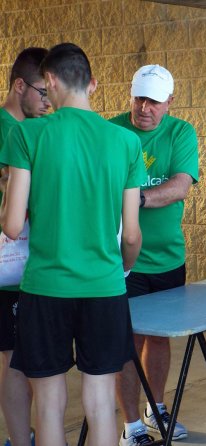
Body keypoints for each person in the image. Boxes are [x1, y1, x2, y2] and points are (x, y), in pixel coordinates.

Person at [0, 42, 144, 446]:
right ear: (90, 84)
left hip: (45, 288)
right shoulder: (125, 142)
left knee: (48, 403)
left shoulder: (28, 134)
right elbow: (131, 235)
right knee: (99, 402)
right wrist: (122, 268)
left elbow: (12, 226)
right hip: (105, 286)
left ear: (49, 81)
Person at [111, 64, 199, 445]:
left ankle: (155, 408)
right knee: (125, 343)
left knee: (158, 339)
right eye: (139, 98)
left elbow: (180, 186)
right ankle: (131, 427)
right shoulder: (110, 131)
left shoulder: (181, 132)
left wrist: (134, 197)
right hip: (118, 262)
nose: (145, 107)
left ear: (170, 103)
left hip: (168, 258)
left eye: (154, 101)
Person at [0, 46, 49, 446]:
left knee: (25, 361)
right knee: (14, 362)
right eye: (42, 92)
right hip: (7, 268)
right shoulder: (5, 129)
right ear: (20, 86)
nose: (49, 102)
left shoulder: (34, 130)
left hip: (32, 267)